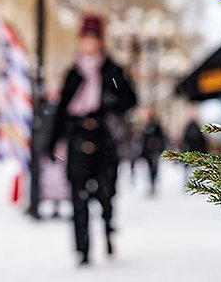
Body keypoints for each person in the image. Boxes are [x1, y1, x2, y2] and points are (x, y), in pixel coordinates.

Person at [47, 14, 136, 266]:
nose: (88, 43)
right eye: (84, 38)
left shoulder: (112, 70)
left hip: (105, 137)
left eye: (93, 38)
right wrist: (51, 143)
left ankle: (108, 228)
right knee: (78, 196)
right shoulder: (73, 73)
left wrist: (111, 100)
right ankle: (82, 249)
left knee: (106, 193)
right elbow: (62, 108)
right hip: (77, 137)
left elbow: (130, 99)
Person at [138, 106, 166, 195]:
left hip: (155, 150)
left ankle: (153, 184)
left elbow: (162, 138)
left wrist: (159, 147)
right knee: (149, 169)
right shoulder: (145, 126)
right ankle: (151, 184)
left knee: (154, 168)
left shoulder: (156, 126)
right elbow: (143, 140)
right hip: (148, 151)